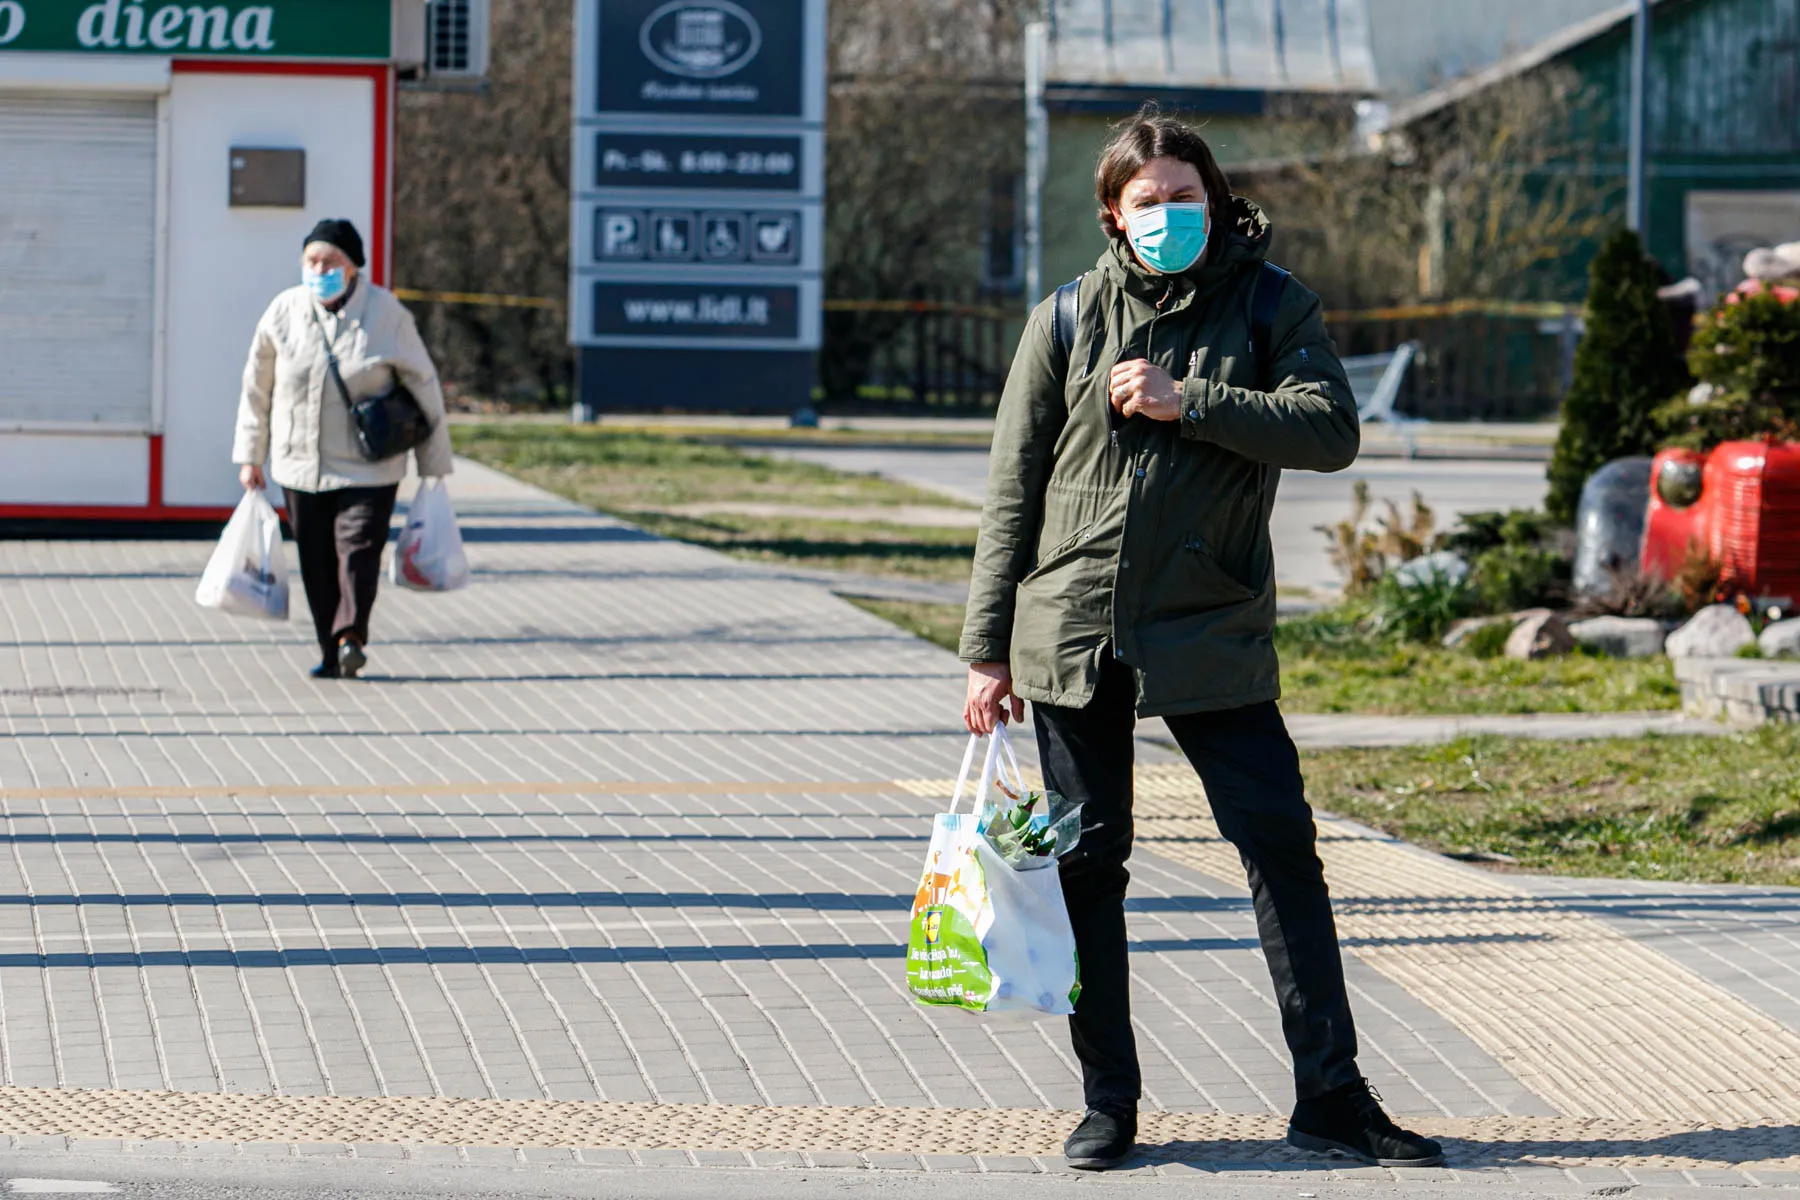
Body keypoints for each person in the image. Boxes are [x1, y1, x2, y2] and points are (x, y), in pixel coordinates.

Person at [958, 106, 1444, 1172]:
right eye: (1149, 201)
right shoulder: (1070, 319)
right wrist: (987, 653)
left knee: (1281, 851)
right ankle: (1110, 1102)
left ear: (1218, 204)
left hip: (1212, 625)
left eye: (1187, 196)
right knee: (1089, 864)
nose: (1169, 215)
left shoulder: (1273, 304)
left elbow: (1330, 430)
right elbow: (1013, 493)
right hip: (1075, 629)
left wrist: (1195, 401)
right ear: (1113, 215)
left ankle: (1332, 1096)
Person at [233, 218, 454, 679]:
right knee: (315, 560)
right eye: (311, 260)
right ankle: (330, 650)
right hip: (299, 467)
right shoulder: (284, 311)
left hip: (368, 468)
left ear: (353, 268)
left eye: (330, 261)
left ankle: (352, 633)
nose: (319, 269)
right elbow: (257, 388)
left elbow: (424, 383)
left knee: (357, 551)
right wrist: (250, 457)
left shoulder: (387, 314)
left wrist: (434, 465)